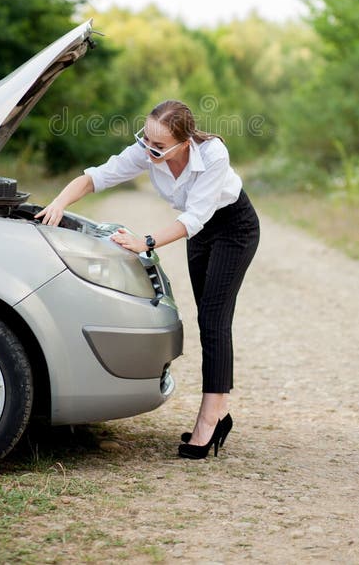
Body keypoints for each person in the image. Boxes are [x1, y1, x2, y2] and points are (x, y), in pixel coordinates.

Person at [36, 99, 260, 460]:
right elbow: (98, 175)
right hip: (199, 233)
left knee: (214, 320)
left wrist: (146, 242)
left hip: (233, 227)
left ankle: (209, 420)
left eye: (159, 145)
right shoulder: (147, 151)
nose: (148, 149)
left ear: (183, 143)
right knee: (207, 318)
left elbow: (196, 216)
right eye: (146, 139)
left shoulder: (213, 154)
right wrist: (59, 202)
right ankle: (221, 413)